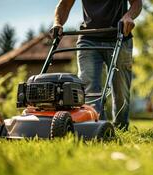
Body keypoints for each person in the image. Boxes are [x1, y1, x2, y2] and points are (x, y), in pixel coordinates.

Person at [50, 0, 142, 130]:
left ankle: (121, 128)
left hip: (120, 35)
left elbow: (136, 3)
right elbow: (64, 4)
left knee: (121, 90)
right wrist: (57, 23)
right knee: (88, 88)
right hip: (88, 38)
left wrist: (128, 16)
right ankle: (97, 128)